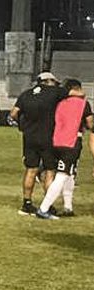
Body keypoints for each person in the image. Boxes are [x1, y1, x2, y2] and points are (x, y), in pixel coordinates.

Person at [36, 78, 93, 220]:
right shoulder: (83, 104)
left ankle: (68, 207)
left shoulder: (59, 103)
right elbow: (90, 123)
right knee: (62, 175)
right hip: (71, 142)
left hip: (56, 141)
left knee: (70, 174)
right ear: (77, 88)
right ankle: (43, 208)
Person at [10, 72, 65, 215]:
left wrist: (22, 126)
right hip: (48, 137)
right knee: (49, 170)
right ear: (48, 81)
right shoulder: (56, 92)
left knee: (31, 169)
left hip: (29, 137)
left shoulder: (26, 94)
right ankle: (48, 205)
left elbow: (13, 113)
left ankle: (27, 203)